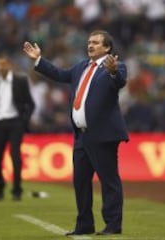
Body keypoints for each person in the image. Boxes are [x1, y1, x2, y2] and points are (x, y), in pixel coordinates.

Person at [23, 30, 129, 235]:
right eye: (89, 42)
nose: (90, 45)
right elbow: (60, 74)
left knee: (109, 181)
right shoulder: (82, 66)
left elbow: (119, 81)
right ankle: (84, 224)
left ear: (107, 48)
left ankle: (113, 224)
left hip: (103, 135)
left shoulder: (115, 67)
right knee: (80, 181)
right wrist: (39, 61)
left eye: (96, 43)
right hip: (82, 135)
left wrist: (114, 71)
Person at [0, 55, 35, 201]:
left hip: (15, 123)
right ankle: (0, 185)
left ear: (10, 65)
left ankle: (17, 189)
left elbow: (30, 104)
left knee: (15, 156)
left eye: (4, 64)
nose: (1, 67)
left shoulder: (20, 81)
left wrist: (23, 121)